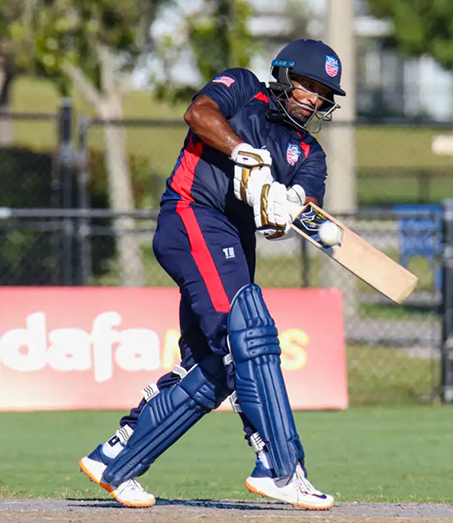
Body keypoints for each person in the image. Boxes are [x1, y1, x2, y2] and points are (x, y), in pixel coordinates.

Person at [79, 39, 346, 510]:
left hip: (235, 238)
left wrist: (285, 209)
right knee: (250, 334)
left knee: (216, 365)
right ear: (283, 77)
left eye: (323, 93)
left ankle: (117, 457)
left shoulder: (310, 153)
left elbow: (299, 207)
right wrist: (245, 154)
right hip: (191, 215)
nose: (313, 99)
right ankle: (282, 466)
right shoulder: (242, 89)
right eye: (306, 85)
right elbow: (198, 115)